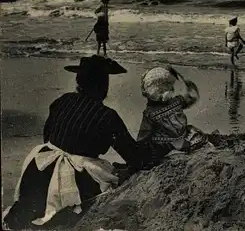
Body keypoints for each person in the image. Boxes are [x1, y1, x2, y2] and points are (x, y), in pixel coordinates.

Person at [2, 56, 151, 230]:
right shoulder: (107, 116)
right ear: (103, 87)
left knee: (29, 209)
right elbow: (134, 157)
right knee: (104, 185)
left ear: (79, 82)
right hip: (73, 178)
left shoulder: (62, 100)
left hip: (38, 168)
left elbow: (47, 136)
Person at [136, 66, 209, 167]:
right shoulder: (176, 101)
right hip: (183, 139)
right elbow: (192, 97)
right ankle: (185, 147)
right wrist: (190, 86)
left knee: (149, 145)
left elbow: (142, 138)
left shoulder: (150, 113)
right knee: (193, 131)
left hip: (165, 147)